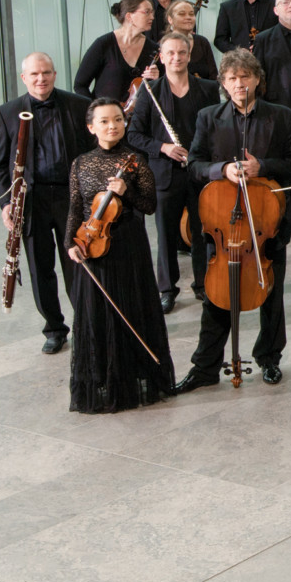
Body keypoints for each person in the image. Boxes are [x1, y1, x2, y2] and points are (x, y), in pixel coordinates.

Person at [177, 49, 291, 389]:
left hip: (267, 223)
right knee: (217, 295)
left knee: (271, 294)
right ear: (223, 83)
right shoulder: (208, 117)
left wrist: (261, 167)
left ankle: (269, 358)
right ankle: (205, 366)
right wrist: (222, 170)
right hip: (223, 223)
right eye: (232, 78)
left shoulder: (283, 117)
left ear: (257, 80)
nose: (239, 83)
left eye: (245, 76)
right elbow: (194, 165)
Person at [62, 98, 176, 412]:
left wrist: (128, 193)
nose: (112, 126)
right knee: (97, 314)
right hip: (93, 247)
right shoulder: (81, 163)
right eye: (104, 121)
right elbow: (75, 208)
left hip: (127, 245)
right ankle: (103, 379)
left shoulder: (135, 160)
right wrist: (71, 243)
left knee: (131, 309)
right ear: (91, 127)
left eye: (118, 120)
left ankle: (132, 377)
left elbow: (150, 205)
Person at [0, 53, 95, 352]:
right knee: (40, 268)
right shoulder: (8, 112)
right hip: (31, 201)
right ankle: (54, 328)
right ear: (24, 78)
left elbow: (92, 153)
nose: (41, 79)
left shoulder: (77, 105)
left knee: (77, 262)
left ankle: (85, 324)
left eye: (46, 73)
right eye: (34, 74)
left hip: (70, 197)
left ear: (55, 74)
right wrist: (6, 204)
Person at [124, 31, 220, 311]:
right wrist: (163, 148)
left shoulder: (208, 89)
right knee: (166, 234)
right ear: (162, 57)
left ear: (189, 56)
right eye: (171, 53)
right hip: (166, 172)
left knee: (203, 230)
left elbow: (217, 129)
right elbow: (134, 135)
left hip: (199, 170)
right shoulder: (149, 91)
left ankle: (203, 283)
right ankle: (167, 289)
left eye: (182, 52)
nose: (176, 58)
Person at [74, 0, 158, 103]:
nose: (152, 17)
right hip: (107, 116)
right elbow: (80, 85)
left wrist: (157, 79)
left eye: (152, 12)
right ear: (129, 16)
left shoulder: (154, 49)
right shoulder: (103, 44)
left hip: (140, 117)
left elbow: (162, 90)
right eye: (147, 12)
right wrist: (95, 110)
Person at [162, 0, 219, 81]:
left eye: (191, 14)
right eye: (182, 14)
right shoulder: (164, 45)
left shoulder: (202, 42)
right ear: (170, 19)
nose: (188, 17)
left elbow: (213, 76)